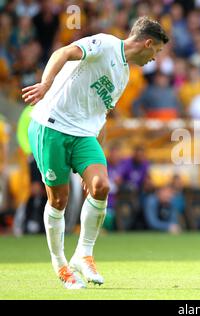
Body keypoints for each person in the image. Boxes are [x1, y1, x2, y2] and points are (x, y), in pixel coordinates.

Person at [21, 17, 169, 289]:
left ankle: (84, 254)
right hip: (51, 126)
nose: (154, 59)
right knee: (58, 200)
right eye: (156, 51)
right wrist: (45, 84)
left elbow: (100, 115)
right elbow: (63, 53)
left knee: (101, 186)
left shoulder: (124, 75)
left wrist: (88, 164)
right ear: (148, 43)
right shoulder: (106, 44)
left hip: (83, 135)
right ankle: (60, 264)